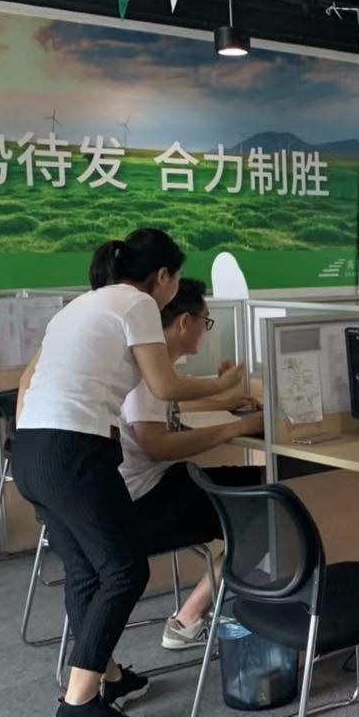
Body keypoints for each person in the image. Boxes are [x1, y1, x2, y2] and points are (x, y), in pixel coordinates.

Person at [15, 228, 244, 717]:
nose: (174, 290)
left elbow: (32, 379)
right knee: (124, 570)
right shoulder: (137, 303)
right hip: (74, 450)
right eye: (176, 279)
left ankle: (108, 678)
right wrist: (224, 385)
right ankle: (77, 705)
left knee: (86, 570)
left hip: (31, 450)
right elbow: (163, 385)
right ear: (162, 276)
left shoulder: (81, 305)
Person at [115, 278, 264, 649]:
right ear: (185, 322)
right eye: (205, 321)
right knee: (271, 509)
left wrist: (225, 402)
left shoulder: (147, 364)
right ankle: (189, 619)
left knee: (263, 486)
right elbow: (155, 445)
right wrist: (238, 426)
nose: (205, 330)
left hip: (130, 495)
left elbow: (171, 405)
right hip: (145, 503)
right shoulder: (149, 374)